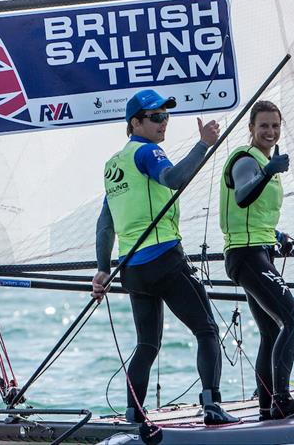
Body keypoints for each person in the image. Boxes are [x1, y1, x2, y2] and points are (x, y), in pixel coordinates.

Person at [92, 89, 238, 426]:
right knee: (207, 331)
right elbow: (174, 179)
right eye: (156, 117)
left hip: (133, 270)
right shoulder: (147, 152)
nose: (163, 123)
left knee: (147, 345)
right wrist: (203, 144)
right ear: (135, 123)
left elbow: (105, 223)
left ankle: (134, 414)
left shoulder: (113, 165)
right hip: (164, 260)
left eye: (166, 116)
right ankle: (213, 406)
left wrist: (102, 269)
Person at [219, 100, 294, 420]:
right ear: (251, 128)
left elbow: (252, 215)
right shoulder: (246, 160)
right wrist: (268, 171)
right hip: (246, 256)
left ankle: (267, 407)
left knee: (270, 332)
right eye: (263, 125)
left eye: (275, 126)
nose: (270, 131)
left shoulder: (264, 162)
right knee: (293, 321)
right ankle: (282, 400)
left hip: (256, 252)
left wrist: (277, 236)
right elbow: (243, 195)